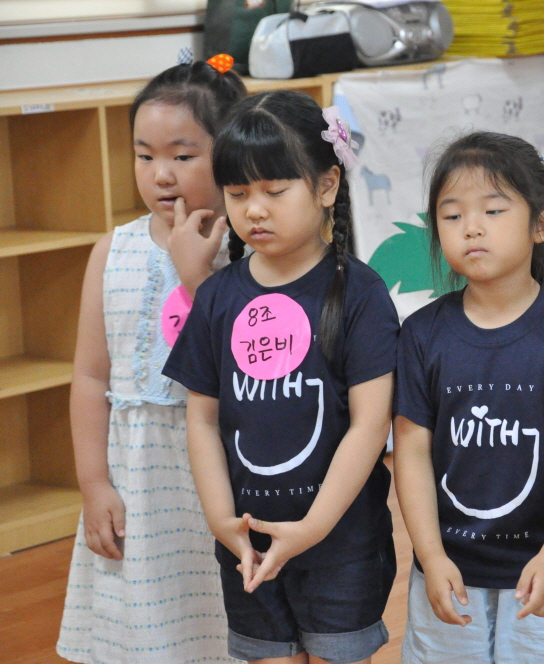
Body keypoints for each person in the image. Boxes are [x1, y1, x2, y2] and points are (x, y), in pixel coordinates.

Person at [162, 89, 398, 664]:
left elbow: (370, 426)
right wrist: (222, 521)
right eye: (238, 193)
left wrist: (312, 528)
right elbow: (202, 419)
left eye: (274, 190)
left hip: (342, 547)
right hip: (248, 543)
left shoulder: (361, 294)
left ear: (326, 186)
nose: (254, 210)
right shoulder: (218, 298)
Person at [393, 131, 544, 664]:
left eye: (493, 211)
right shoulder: (421, 334)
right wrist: (430, 555)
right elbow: (411, 452)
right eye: (452, 215)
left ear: (540, 225)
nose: (471, 227)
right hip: (451, 570)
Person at [58, 59, 246, 663]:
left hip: (220, 478)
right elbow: (90, 377)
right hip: (135, 480)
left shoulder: (252, 255)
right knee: (142, 633)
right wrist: (93, 484)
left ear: (230, 153)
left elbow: (246, 368)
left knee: (219, 627)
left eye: (183, 155)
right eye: (144, 156)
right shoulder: (112, 250)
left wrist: (197, 276)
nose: (161, 174)